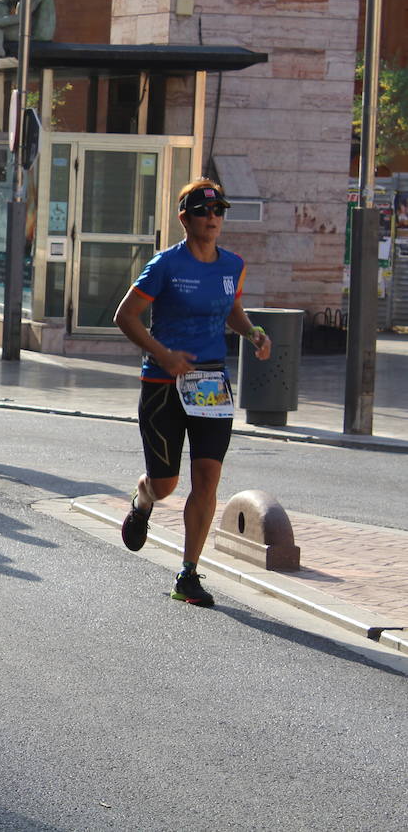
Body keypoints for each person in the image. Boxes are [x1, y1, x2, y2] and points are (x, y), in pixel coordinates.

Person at [113, 178, 272, 607]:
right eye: (204, 211)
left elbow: (231, 310)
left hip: (211, 386)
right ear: (185, 217)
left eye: (220, 209)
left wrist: (252, 332)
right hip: (164, 385)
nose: (214, 217)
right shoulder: (165, 265)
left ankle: (188, 573)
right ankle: (143, 499)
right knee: (166, 485)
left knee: (208, 479)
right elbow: (125, 316)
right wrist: (163, 354)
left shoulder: (232, 265)